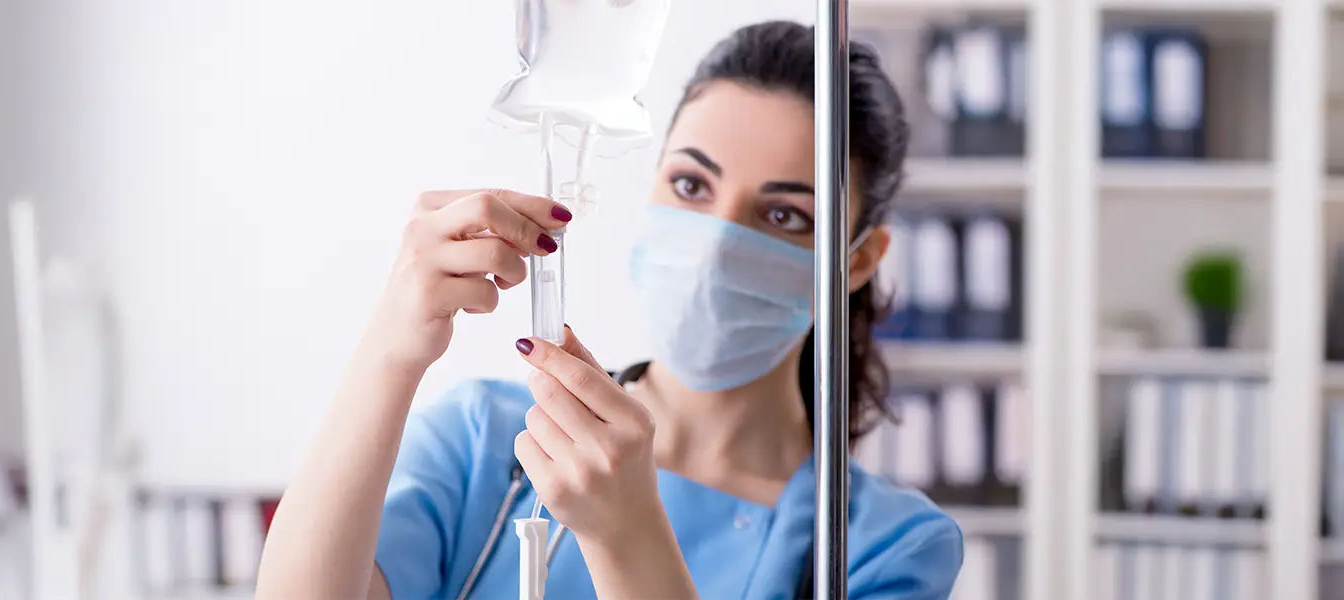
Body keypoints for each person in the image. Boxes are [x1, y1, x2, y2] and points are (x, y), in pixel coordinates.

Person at [255, 21, 963, 600]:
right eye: (691, 185)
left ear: (858, 260)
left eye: (784, 214)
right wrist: (391, 348)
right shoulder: (486, 441)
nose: (716, 244)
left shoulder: (883, 546)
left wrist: (628, 537)